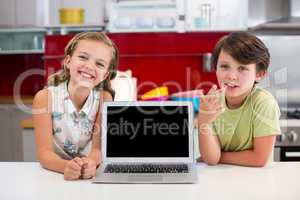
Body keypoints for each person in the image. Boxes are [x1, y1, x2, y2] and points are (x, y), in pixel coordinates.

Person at [32, 32, 119, 180]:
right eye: (83, 57)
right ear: (68, 61)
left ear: (105, 75)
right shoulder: (45, 98)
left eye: (99, 64)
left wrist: (91, 163)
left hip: (89, 176)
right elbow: (45, 154)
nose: (89, 66)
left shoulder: (104, 98)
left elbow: (97, 149)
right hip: (55, 175)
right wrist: (66, 166)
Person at [198, 31, 281, 167]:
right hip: (220, 179)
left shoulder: (263, 103)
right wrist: (204, 122)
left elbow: (259, 158)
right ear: (216, 68)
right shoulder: (213, 103)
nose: (231, 76)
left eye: (242, 68)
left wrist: (221, 157)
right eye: (224, 66)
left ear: (259, 74)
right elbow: (211, 159)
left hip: (255, 181)